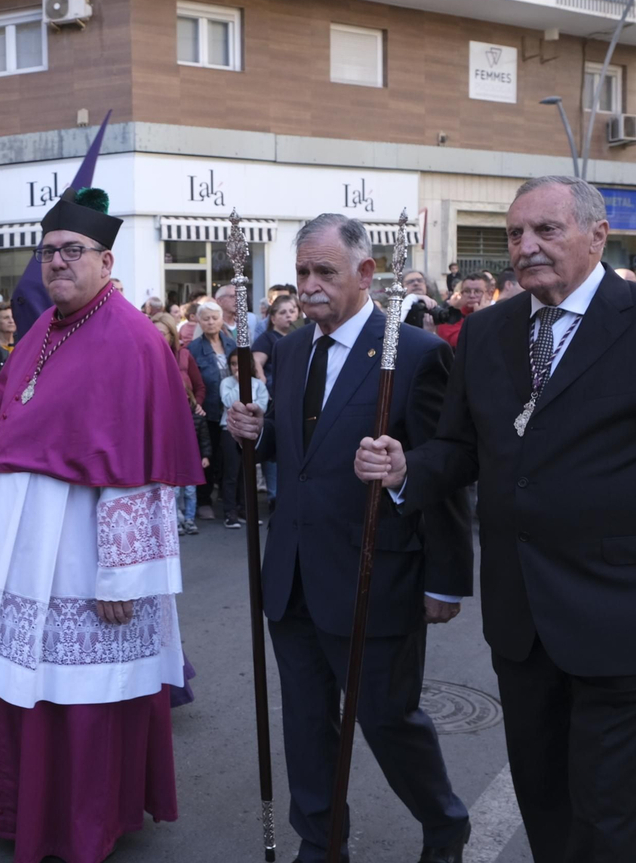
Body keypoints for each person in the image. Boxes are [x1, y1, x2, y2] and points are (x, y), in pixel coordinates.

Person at [355, 176, 636, 862]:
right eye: (515, 234)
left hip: (627, 618)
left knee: (610, 825)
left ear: (597, 235)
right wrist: (408, 466)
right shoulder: (487, 332)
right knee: (545, 807)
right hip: (523, 622)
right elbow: (460, 448)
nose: (526, 246)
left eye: (546, 230)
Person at [0, 186, 206, 863]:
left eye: (71, 250)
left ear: (106, 260)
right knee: (27, 685)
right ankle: (24, 810)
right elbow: (21, 399)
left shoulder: (132, 338)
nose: (56, 262)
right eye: (48, 252)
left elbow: (142, 469)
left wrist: (123, 575)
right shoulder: (45, 327)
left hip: (82, 555)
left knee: (80, 692)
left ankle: (81, 822)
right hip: (22, 552)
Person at [230, 213, 474, 863]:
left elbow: (447, 468)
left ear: (366, 273)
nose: (308, 285)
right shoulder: (289, 350)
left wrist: (446, 578)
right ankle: (321, 842)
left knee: (389, 720)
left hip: (376, 575)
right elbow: (298, 450)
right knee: (307, 722)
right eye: (301, 272)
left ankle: (443, 821)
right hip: (292, 576)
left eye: (324, 272)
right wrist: (255, 432)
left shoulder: (413, 352)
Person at [154, 314, 211, 535]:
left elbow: (199, 386)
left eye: (161, 333)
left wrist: (198, 405)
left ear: (171, 335)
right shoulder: (146, 354)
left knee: (182, 471)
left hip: (184, 418)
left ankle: (185, 516)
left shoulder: (184, 355)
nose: (156, 337)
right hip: (159, 419)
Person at [187, 298, 234, 520]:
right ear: (199, 321)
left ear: (222, 319)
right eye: (206, 319)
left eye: (215, 318)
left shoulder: (231, 344)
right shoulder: (193, 349)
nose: (211, 322)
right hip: (207, 410)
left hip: (230, 409)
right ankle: (204, 500)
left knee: (228, 457)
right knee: (208, 455)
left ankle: (229, 499)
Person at [217, 351, 269, 530]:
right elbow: (228, 401)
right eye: (233, 364)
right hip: (229, 430)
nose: (236, 367)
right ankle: (230, 512)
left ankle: (245, 509)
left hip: (250, 431)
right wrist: (240, 384)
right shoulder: (227, 383)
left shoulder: (258, 384)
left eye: (240, 363)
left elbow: (262, 406)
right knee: (231, 472)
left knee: (247, 471)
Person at [434, 275, 487, 349]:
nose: (472, 295)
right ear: (461, 293)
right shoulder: (450, 316)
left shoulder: (497, 315)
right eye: (467, 291)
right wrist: (478, 318)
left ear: (488, 294)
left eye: (477, 291)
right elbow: (459, 342)